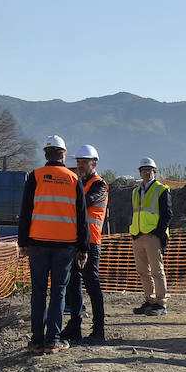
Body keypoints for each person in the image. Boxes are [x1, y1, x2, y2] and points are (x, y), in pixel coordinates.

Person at [18, 135, 88, 354]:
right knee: (58, 291)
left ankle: (37, 340)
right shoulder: (73, 179)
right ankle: (53, 340)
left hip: (37, 243)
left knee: (38, 291)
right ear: (64, 154)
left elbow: (25, 212)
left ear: (46, 154)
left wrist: (22, 242)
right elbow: (82, 217)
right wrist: (83, 247)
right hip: (65, 246)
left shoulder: (35, 176)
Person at [63, 143, 108, 345]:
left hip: (91, 242)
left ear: (94, 163)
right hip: (75, 241)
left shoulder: (99, 185)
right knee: (73, 285)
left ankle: (99, 330)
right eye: (78, 162)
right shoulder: (79, 183)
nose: (80, 165)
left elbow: (84, 203)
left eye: (84, 162)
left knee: (92, 285)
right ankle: (74, 327)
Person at [130, 157, 172, 315]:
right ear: (140, 172)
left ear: (154, 172)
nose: (146, 173)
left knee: (157, 270)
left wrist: (158, 234)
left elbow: (167, 215)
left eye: (149, 170)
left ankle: (161, 304)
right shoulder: (136, 191)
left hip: (153, 236)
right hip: (138, 235)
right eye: (143, 170)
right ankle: (150, 300)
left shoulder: (161, 189)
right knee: (142, 270)